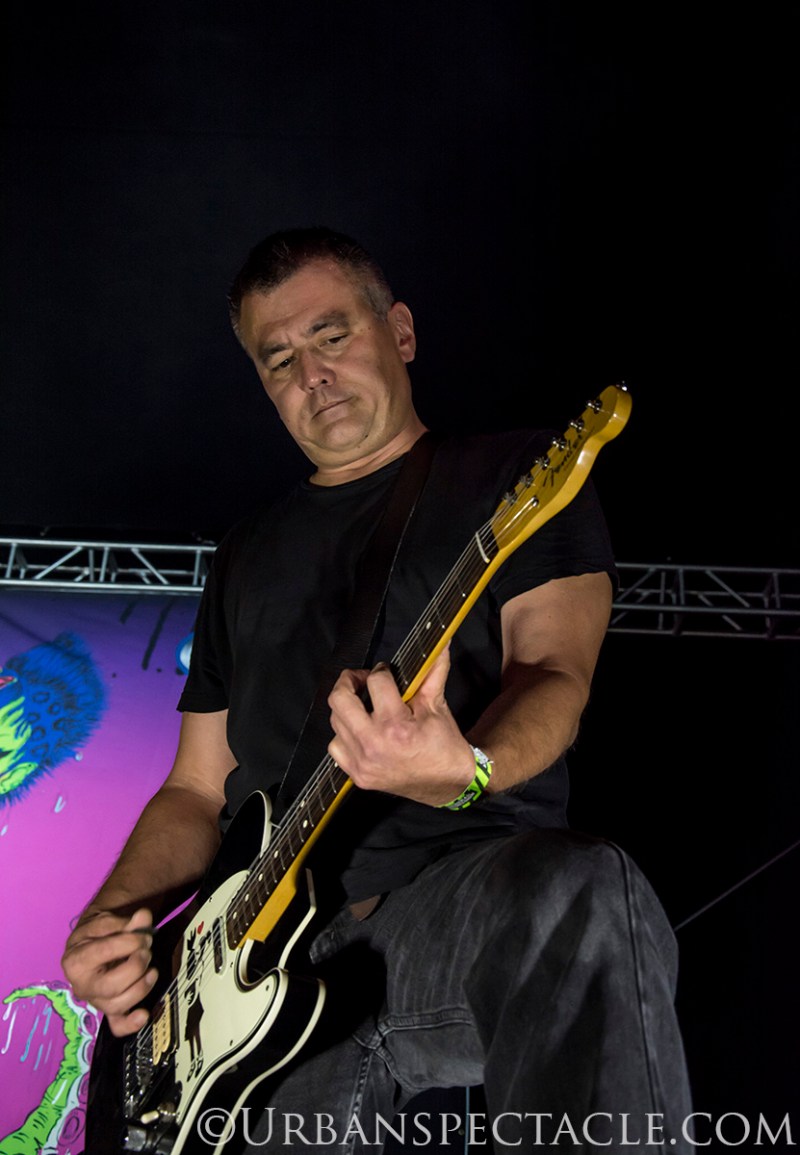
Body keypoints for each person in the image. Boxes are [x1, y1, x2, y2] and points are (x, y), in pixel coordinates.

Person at [62, 226, 693, 1151]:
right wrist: (109, 916)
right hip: (252, 970)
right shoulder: (244, 553)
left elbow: (554, 673)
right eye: (279, 360)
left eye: (331, 335)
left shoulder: (513, 479)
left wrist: (467, 767)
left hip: (444, 906)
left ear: (399, 331)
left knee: (582, 892)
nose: (311, 374)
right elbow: (196, 787)